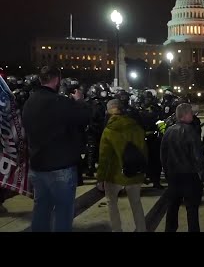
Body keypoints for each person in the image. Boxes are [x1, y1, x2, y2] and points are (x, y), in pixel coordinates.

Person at [22, 66, 90, 232]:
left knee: (41, 210)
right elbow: (84, 118)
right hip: (60, 168)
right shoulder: (60, 102)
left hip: (37, 167)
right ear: (56, 79)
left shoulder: (29, 103)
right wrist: (80, 101)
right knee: (63, 213)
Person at [96, 99, 147, 232]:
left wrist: (100, 178)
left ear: (108, 111)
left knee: (112, 204)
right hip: (134, 173)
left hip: (114, 176)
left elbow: (104, 157)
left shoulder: (109, 130)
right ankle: (142, 229)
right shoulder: (136, 127)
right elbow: (143, 150)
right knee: (136, 204)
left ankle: (117, 229)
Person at [161, 103, 204, 232]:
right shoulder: (191, 132)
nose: (192, 115)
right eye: (191, 113)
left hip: (174, 177)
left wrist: (167, 172)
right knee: (192, 210)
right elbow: (198, 157)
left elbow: (163, 156)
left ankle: (170, 230)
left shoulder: (168, 131)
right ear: (186, 114)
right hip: (190, 177)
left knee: (172, 207)